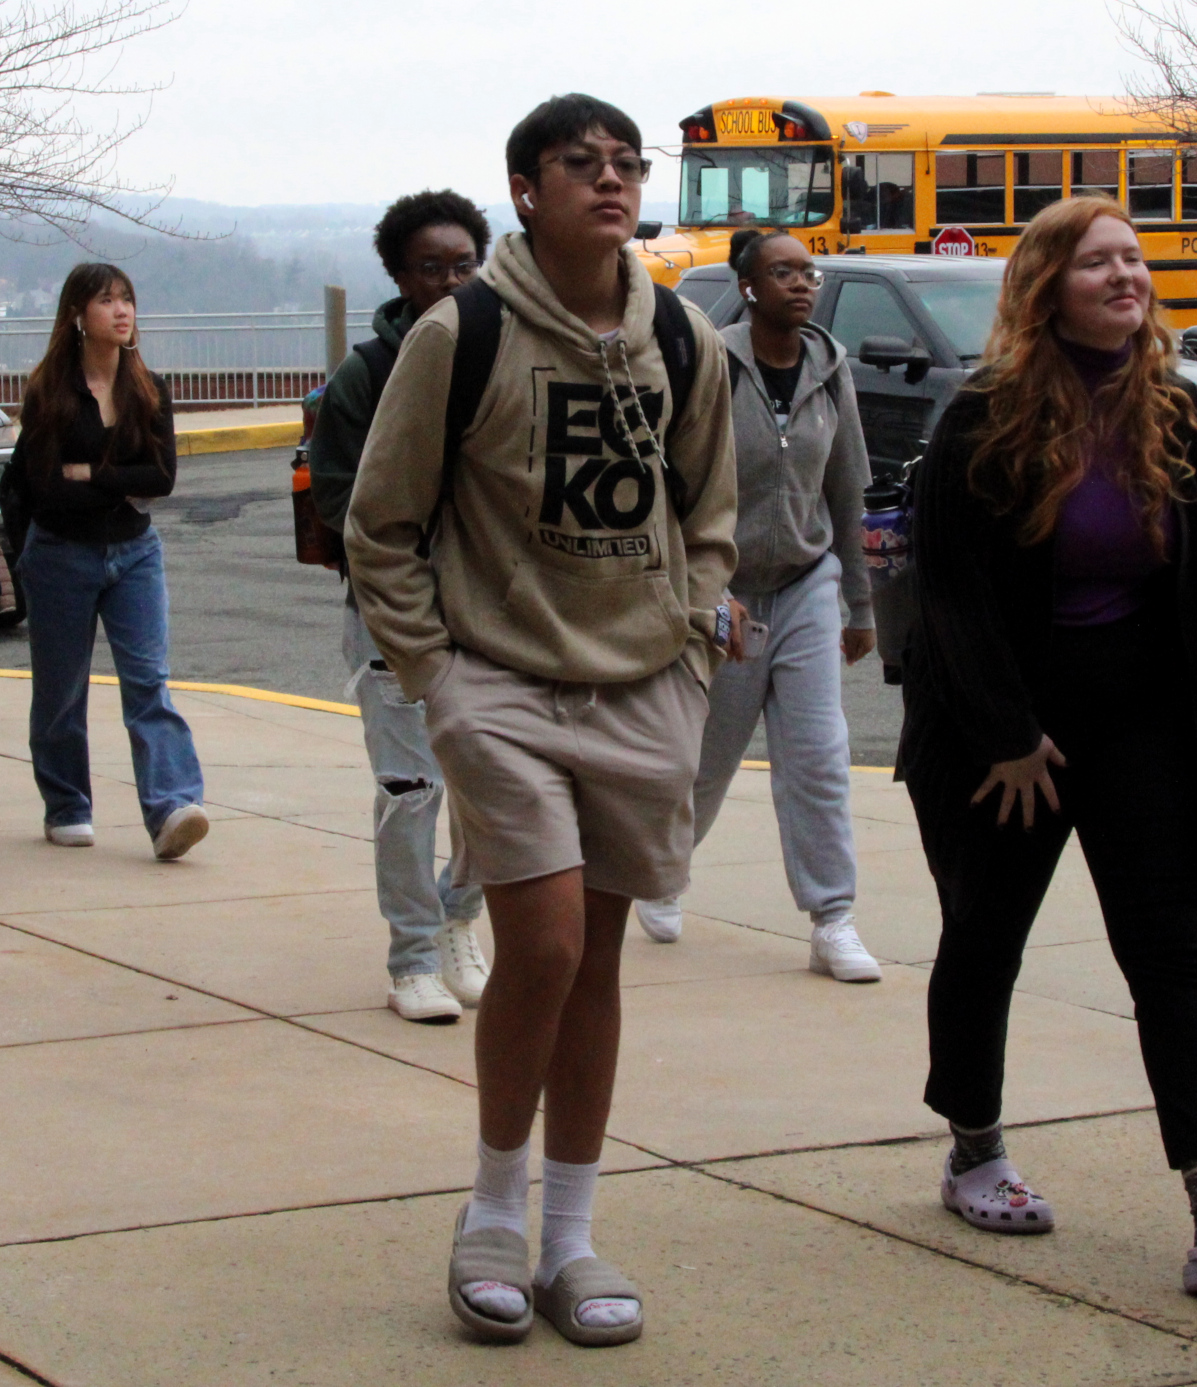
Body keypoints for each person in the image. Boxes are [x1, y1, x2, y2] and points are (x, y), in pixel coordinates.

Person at [346, 94, 738, 1348]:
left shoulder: (684, 337)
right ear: (526, 188)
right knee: (550, 945)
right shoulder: (461, 333)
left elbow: (710, 519)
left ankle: (572, 1234)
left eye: (628, 164)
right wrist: (438, 680)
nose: (612, 182)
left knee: (602, 962)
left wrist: (687, 646)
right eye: (584, 165)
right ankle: (493, 1211)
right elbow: (381, 524)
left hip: (641, 684)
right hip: (500, 687)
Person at [902, 196, 1197, 1294]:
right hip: (1007, 736)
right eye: (1098, 263)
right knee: (986, 937)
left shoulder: (1168, 407)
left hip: (1141, 720)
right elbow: (948, 588)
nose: (1124, 278)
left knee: (1175, 953)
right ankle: (975, 1145)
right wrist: (1004, 732)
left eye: (1134, 261)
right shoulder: (984, 412)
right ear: (1050, 284)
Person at [632, 228, 884, 983]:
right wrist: (697, 597)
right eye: (783, 272)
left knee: (818, 757)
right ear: (748, 287)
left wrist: (862, 605)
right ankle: (664, 871)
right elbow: (674, 487)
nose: (802, 283)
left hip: (808, 582)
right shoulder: (713, 364)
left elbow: (845, 491)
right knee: (707, 757)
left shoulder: (829, 367)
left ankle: (832, 918)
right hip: (728, 590)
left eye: (807, 271)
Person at [309, 189, 495, 1024]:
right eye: (431, 268)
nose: (451, 281)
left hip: (494, 612)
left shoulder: (501, 352)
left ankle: (461, 916)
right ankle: (413, 955)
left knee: (497, 785)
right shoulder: (365, 378)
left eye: (464, 265)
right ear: (397, 275)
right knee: (412, 786)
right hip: (394, 610)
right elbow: (345, 509)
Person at [2, 263, 208, 861]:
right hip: (61, 552)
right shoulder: (50, 392)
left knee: (149, 682)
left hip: (135, 551)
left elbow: (162, 477)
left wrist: (92, 472)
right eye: (106, 301)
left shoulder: (147, 389)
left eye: (127, 300)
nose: (121, 311)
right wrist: (119, 482)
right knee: (62, 689)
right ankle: (67, 804)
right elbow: (45, 490)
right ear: (77, 314)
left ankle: (172, 806)